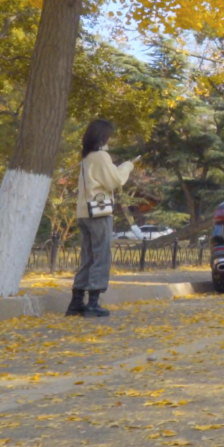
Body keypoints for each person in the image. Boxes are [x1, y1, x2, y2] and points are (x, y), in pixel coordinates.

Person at [71, 119, 136, 317]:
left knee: (88, 257)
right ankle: (92, 302)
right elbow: (113, 181)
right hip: (99, 213)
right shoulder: (100, 156)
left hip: (84, 212)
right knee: (102, 256)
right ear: (103, 136)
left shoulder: (87, 157)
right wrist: (127, 166)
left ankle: (76, 302)